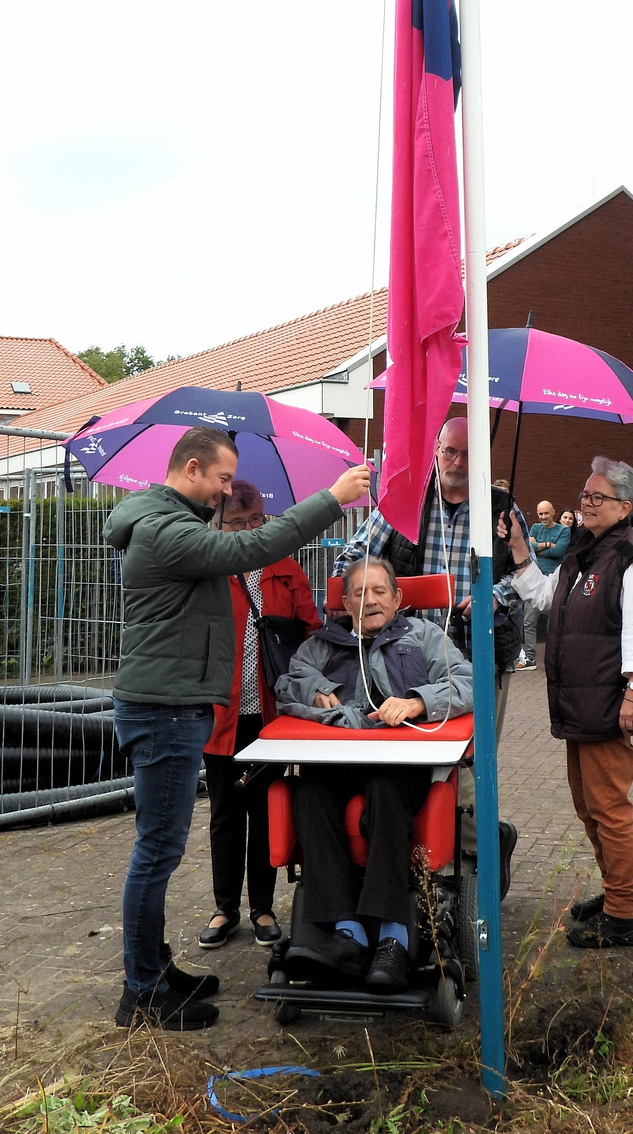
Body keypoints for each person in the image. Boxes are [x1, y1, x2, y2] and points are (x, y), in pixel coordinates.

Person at [104, 425, 371, 1031]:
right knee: (156, 852)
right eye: (223, 479)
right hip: (167, 708)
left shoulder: (164, 520)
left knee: (159, 847)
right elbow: (245, 553)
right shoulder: (168, 530)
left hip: (174, 704)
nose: (227, 492)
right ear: (192, 468)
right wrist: (331, 498)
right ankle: (142, 991)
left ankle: (154, 966)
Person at [335, 415, 528, 891]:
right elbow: (351, 560)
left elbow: (528, 576)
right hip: (416, 659)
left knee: (470, 761)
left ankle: (464, 862)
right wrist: (377, 591)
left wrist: (493, 597)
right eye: (450, 452)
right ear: (437, 451)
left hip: (481, 653)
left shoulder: (503, 509)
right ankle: (457, 851)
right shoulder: (404, 505)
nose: (458, 463)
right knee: (421, 761)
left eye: (467, 454)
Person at [275, 557, 473, 993]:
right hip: (340, 762)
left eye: (380, 591)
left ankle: (393, 938)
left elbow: (466, 681)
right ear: (344, 602)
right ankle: (347, 933)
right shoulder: (321, 644)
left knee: (385, 789)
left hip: (401, 766)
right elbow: (289, 681)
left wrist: (419, 701)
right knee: (308, 789)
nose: (370, 600)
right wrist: (317, 691)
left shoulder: (423, 637)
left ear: (398, 598)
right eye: (359, 593)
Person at [505, 455, 633, 950]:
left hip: (608, 702)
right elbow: (546, 599)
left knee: (609, 807)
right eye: (584, 496)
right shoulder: (584, 554)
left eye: (597, 498)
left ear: (625, 506)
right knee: (587, 804)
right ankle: (619, 892)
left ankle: (622, 914)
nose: (586, 504)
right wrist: (517, 551)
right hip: (581, 703)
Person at [198, 480, 321, 952]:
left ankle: (264, 907)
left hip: (271, 718)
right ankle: (225, 907)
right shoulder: (209, 573)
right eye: (237, 523)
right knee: (225, 815)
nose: (248, 531)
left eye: (256, 522)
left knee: (267, 812)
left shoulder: (287, 571)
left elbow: (311, 636)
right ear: (219, 524)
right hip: (220, 716)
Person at [519, 501, 571, 669]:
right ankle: (529, 658)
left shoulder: (563, 530)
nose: (543, 517)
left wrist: (538, 547)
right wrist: (548, 545)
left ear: (553, 512)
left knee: (556, 623)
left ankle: (557, 659)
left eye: (546, 513)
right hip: (536, 579)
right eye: (540, 514)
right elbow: (529, 548)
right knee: (529, 622)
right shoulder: (534, 528)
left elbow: (559, 552)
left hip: (555, 581)